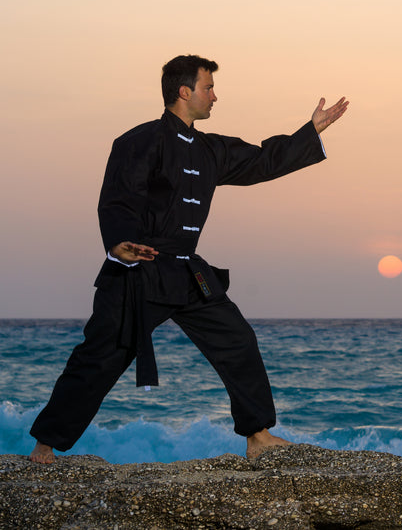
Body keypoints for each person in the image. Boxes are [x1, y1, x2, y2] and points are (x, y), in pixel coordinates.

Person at [29, 55, 348, 464]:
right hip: (138, 273)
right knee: (100, 357)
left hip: (186, 273)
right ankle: (45, 446)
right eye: (208, 87)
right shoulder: (138, 142)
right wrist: (120, 244)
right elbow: (117, 198)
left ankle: (257, 436)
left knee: (237, 340)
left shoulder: (210, 148)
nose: (215, 96)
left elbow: (261, 160)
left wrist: (311, 132)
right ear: (185, 92)